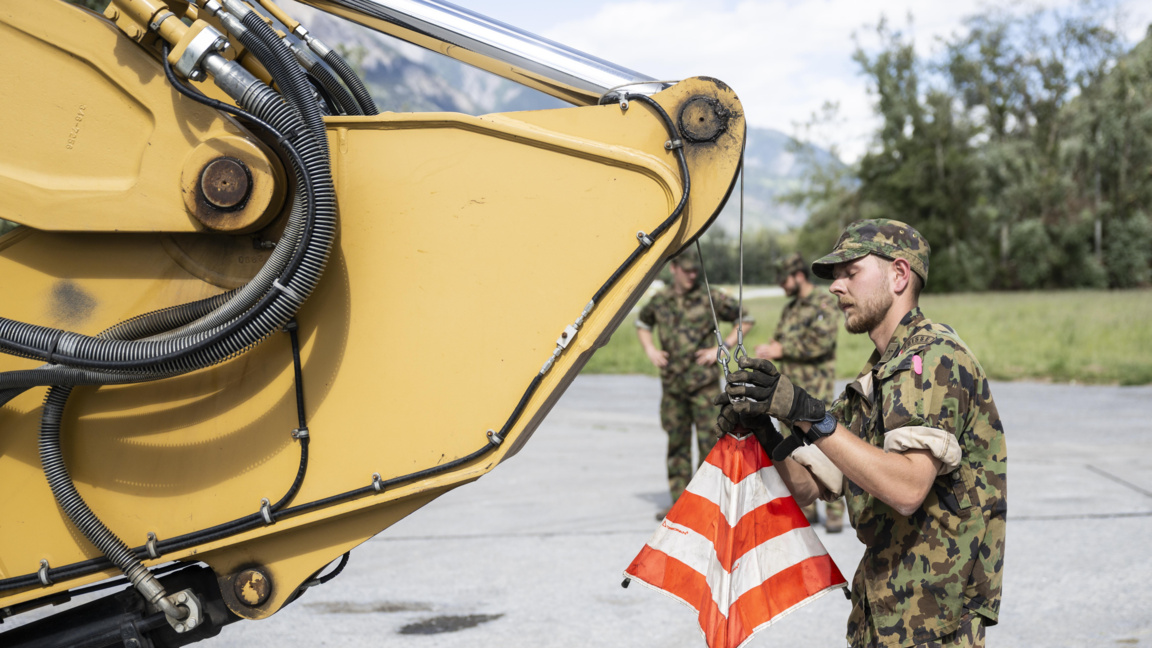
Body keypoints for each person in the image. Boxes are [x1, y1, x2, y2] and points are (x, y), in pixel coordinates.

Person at [718, 219, 1006, 648]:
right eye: (835, 277)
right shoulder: (876, 377)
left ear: (899, 275)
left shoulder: (932, 359)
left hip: (935, 624)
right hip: (885, 614)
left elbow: (907, 487)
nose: (836, 287)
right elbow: (809, 485)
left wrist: (807, 413)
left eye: (850, 272)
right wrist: (763, 429)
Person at [636, 249, 754, 519]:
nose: (691, 275)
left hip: (703, 387)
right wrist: (650, 349)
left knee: (708, 445)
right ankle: (680, 504)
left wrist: (721, 347)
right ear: (673, 268)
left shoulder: (709, 297)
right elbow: (642, 322)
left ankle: (710, 505)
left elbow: (744, 318)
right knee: (676, 445)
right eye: (686, 270)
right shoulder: (661, 299)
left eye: (694, 271)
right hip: (673, 385)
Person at [754, 251, 845, 532]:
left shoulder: (823, 303)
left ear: (798, 276)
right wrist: (771, 350)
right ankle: (806, 507)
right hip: (789, 393)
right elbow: (778, 338)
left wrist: (784, 349)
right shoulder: (790, 309)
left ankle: (834, 510)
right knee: (794, 446)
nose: (782, 285)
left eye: (784, 280)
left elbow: (822, 342)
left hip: (815, 389)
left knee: (824, 444)